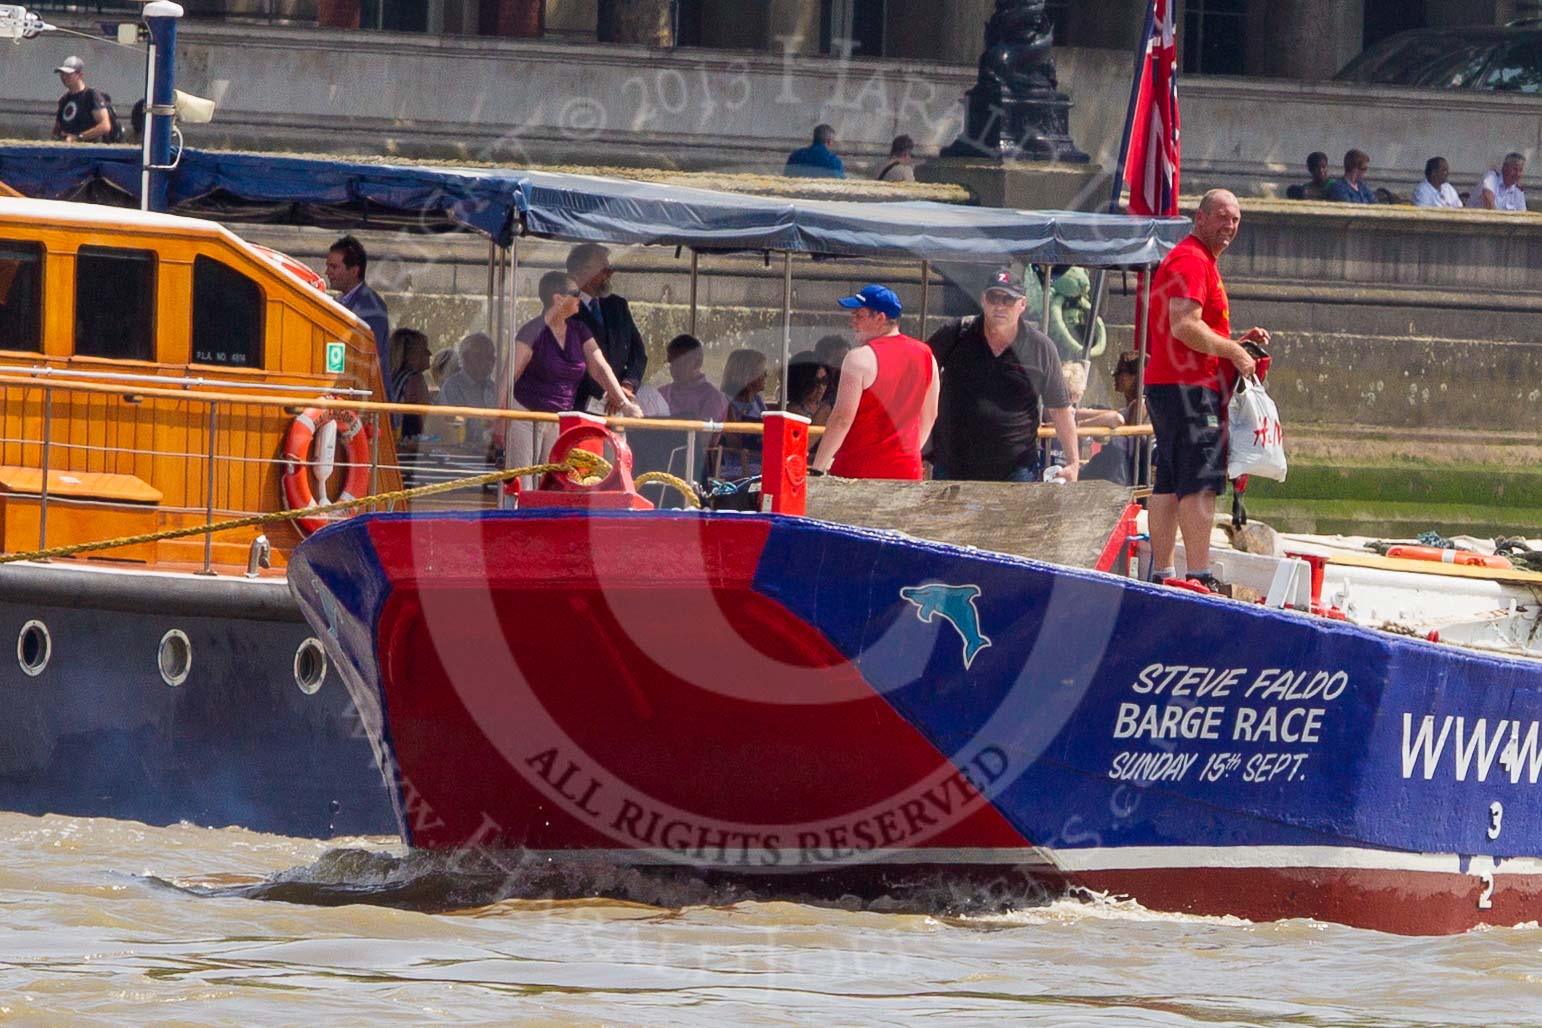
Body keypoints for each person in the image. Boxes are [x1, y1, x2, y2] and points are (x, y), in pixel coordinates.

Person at [1145, 188, 1268, 591]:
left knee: (1168, 480)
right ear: (1199, 218)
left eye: (1235, 219)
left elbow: (1192, 328)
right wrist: (1233, 350)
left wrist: (1235, 338)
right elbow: (1184, 325)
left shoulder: (1196, 261)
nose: (1228, 225)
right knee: (1199, 481)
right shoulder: (1192, 259)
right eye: (1221, 216)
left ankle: (1162, 572)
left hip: (1171, 385)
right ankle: (1198, 574)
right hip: (1187, 388)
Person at [924, 268, 1079, 483]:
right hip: (953, 466)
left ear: (1022, 304)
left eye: (1008, 299)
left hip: (1015, 470)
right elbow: (918, 380)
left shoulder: (1040, 348)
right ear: (983, 300)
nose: (1000, 305)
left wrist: (1073, 462)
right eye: (994, 297)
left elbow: (1060, 409)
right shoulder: (955, 334)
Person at [504, 270, 642, 476]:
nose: (581, 298)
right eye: (575, 294)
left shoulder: (579, 330)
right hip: (526, 415)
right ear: (558, 299)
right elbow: (509, 376)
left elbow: (600, 367)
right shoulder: (532, 331)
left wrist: (624, 403)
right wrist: (499, 418)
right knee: (524, 478)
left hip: (559, 416)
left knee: (552, 479)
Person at [814, 284, 938, 480]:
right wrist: (908, 453)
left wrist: (817, 468)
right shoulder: (927, 356)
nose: (852, 322)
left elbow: (842, 419)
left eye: (859, 315)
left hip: (857, 470)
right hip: (907, 471)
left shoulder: (858, 358)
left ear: (880, 318)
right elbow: (930, 416)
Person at [567, 243, 647, 414]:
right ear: (583, 271)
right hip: (580, 406)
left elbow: (638, 352)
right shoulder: (565, 308)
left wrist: (627, 386)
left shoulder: (617, 306)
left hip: (616, 406)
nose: (610, 274)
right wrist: (610, 392)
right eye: (605, 269)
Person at [324, 235, 390, 378]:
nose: (327, 272)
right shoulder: (342, 301)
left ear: (354, 271)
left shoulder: (370, 306)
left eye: (333, 267)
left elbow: (365, 355)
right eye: (327, 266)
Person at [435, 331, 498, 447]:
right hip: (463, 454)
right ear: (466, 358)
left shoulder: (493, 388)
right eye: (485, 356)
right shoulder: (453, 387)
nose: (491, 361)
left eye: (492, 356)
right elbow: (453, 429)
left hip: (490, 453)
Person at [715, 348, 768, 478]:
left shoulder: (757, 401)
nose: (766, 376)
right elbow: (734, 442)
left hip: (761, 460)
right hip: (736, 465)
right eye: (763, 372)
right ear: (748, 375)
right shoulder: (725, 401)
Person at [655, 334, 729, 422]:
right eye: (670, 363)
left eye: (679, 363)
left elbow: (706, 434)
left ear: (698, 363)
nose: (673, 368)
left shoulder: (713, 398)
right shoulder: (660, 394)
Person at [51, 57, 113, 144]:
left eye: (68, 74)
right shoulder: (64, 100)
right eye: (62, 74)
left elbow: (105, 125)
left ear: (80, 75)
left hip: (90, 152)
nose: (64, 77)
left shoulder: (91, 95)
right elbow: (57, 128)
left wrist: (78, 137)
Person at [388, 328, 431, 444]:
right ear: (412, 354)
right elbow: (426, 418)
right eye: (424, 350)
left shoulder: (390, 378)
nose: (430, 354)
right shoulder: (415, 379)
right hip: (410, 442)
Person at [783, 351, 831, 426]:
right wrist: (823, 412)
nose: (821, 386)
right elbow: (809, 437)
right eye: (815, 381)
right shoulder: (790, 412)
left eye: (825, 380)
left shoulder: (826, 405)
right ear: (801, 382)